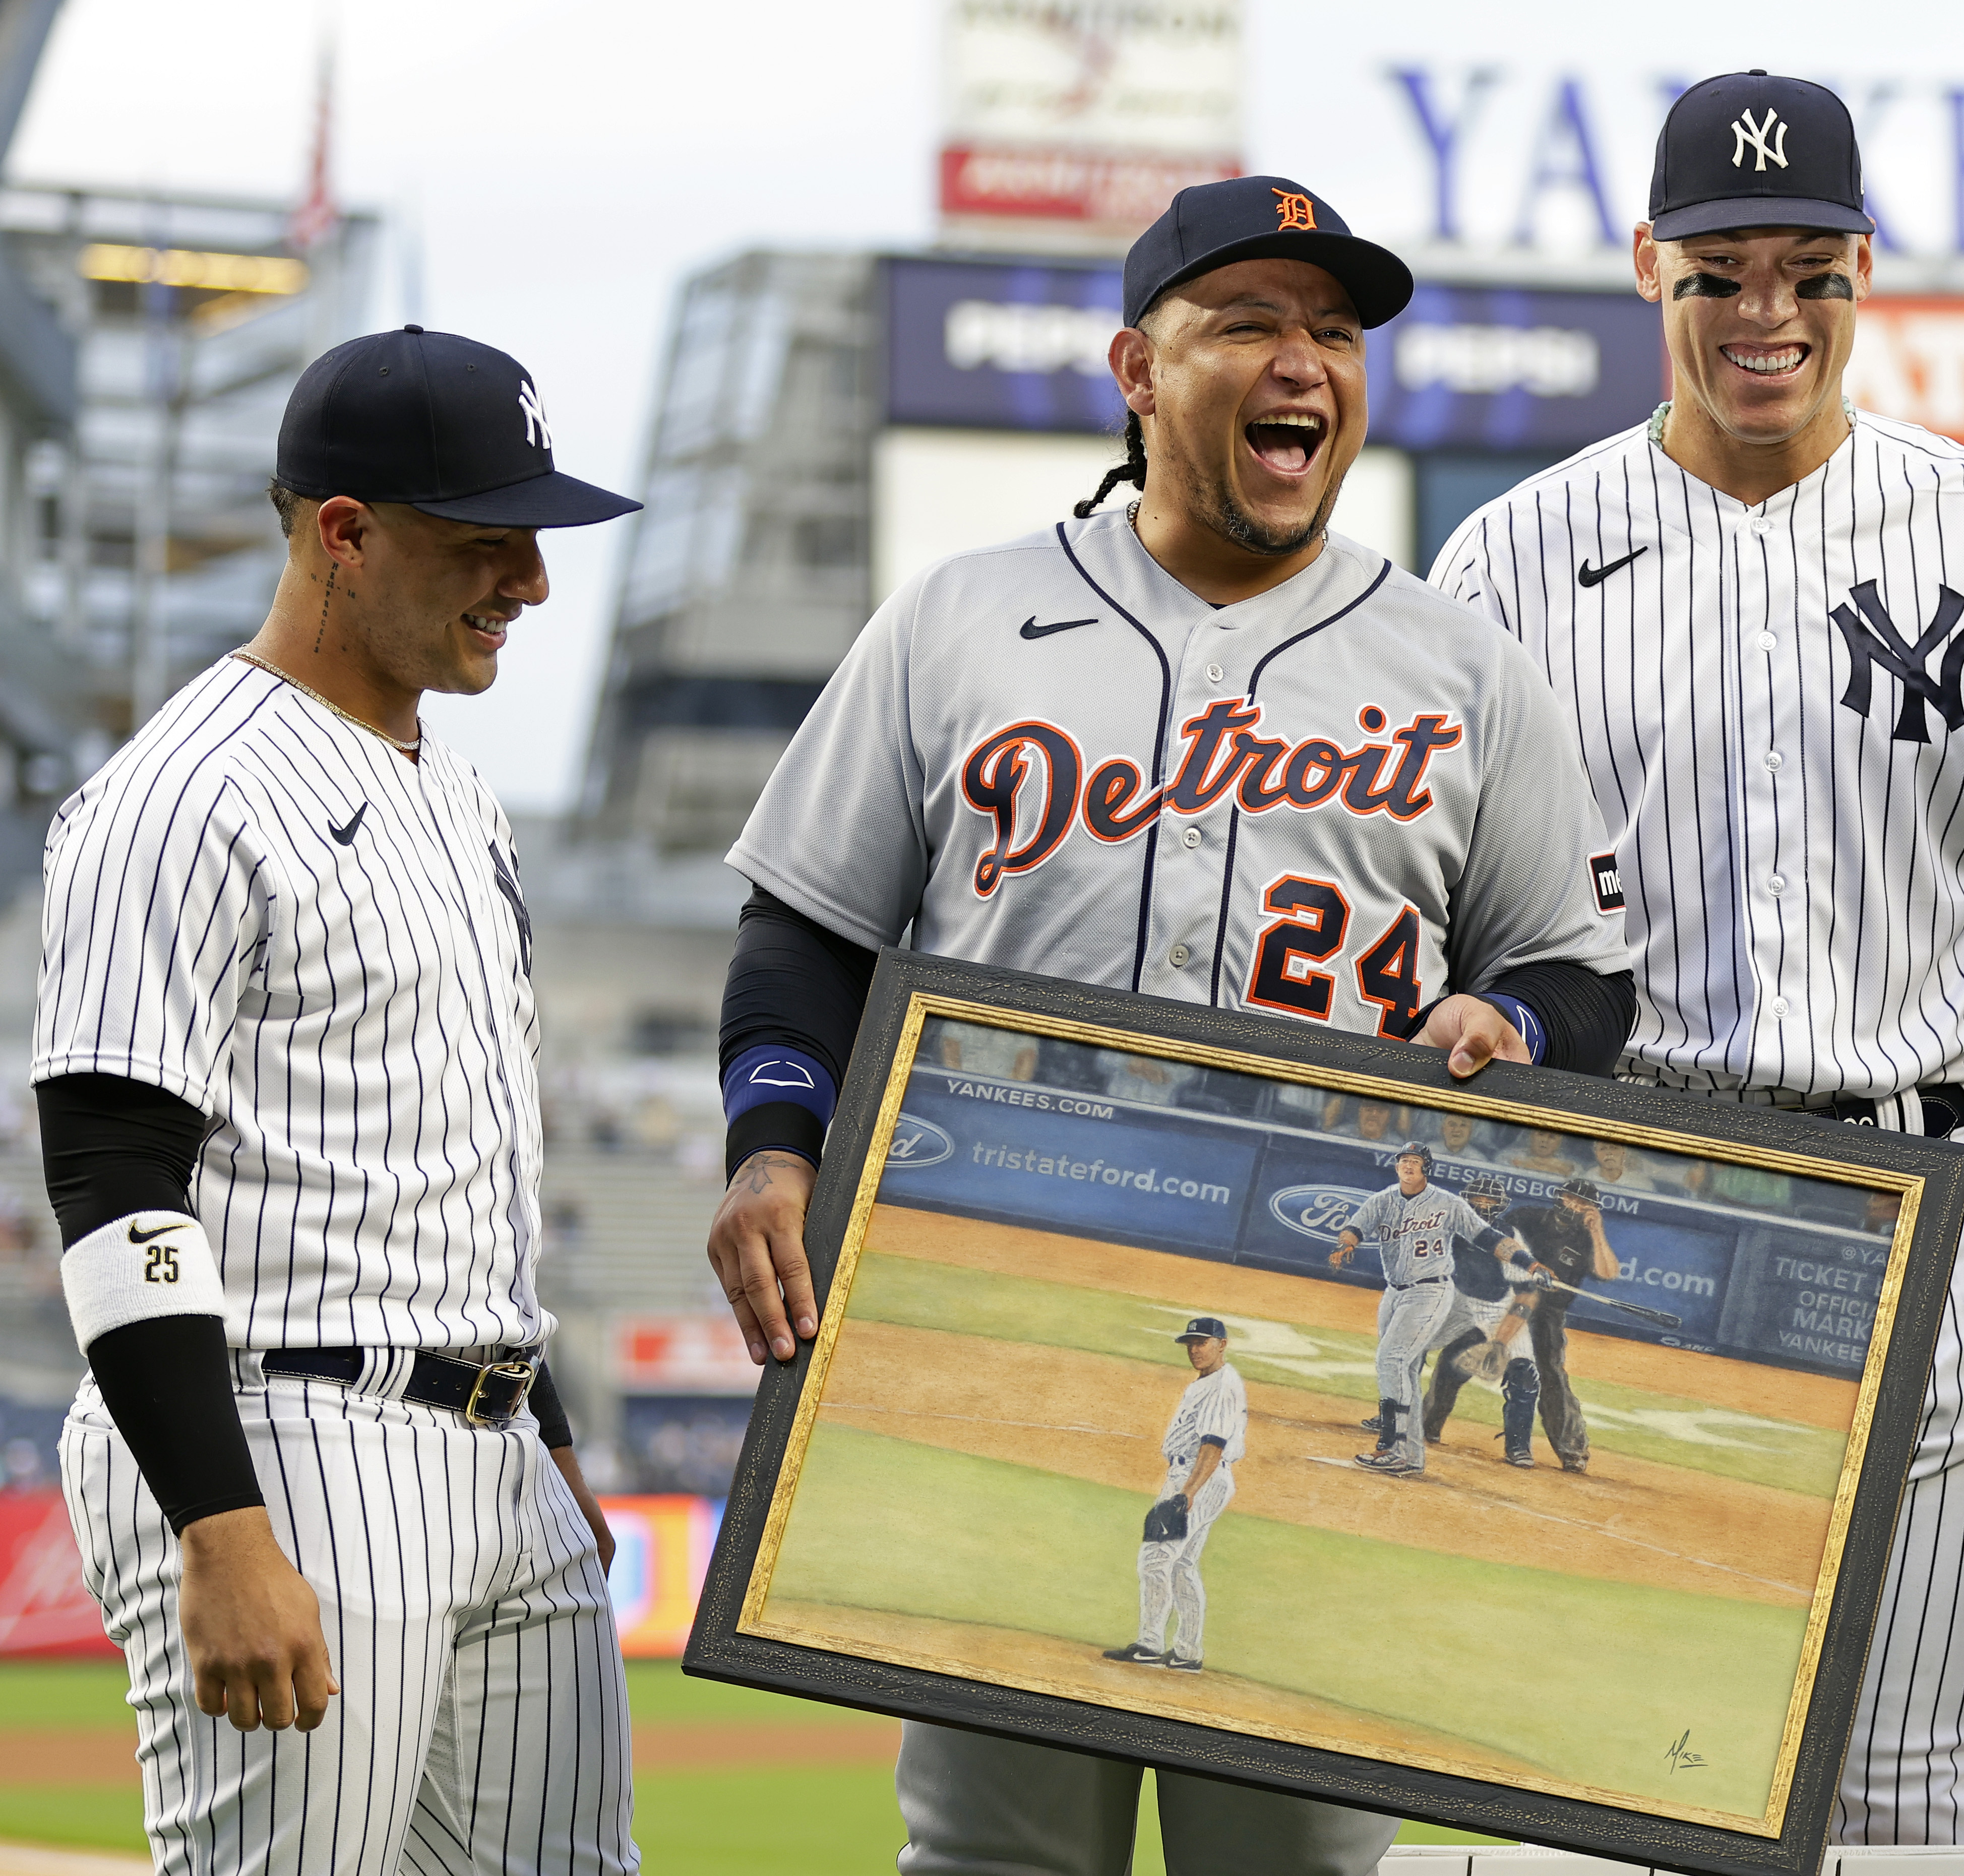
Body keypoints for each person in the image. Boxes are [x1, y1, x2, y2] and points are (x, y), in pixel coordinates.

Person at [701, 175, 1634, 1876]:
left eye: (1336, 331)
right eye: (1249, 324)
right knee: (994, 1853)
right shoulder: (960, 620)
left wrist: (1510, 1016)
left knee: (1294, 1862)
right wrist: (774, 1145)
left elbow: (1581, 977)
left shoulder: (1463, 669)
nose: (1304, 360)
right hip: (1012, 1304)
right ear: (1138, 367)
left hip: (1313, 1311)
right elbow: (806, 932)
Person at [1430, 71, 1964, 1840]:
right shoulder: (1505, 563)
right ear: (1645, 265)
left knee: (1906, 1811)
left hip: (1912, 1183)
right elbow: (1446, 918)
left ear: (1863, 270)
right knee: (1622, 1796)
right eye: (1721, 273)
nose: (1768, 317)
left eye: (1810, 272)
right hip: (1628, 1196)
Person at [33, 328, 641, 1875]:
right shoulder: (181, 794)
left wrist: (549, 1426)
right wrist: (217, 1528)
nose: (532, 580)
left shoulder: (456, 788)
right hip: (289, 1428)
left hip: (497, 1431)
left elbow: (460, 1163)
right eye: (484, 540)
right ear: (343, 532)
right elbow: (114, 1176)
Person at [1329, 1142, 1524, 1475]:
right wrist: (1347, 1244)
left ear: (1426, 1168)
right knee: (1403, 1369)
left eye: (1415, 1162)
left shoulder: (1447, 1203)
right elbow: (1356, 1226)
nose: (1408, 1166)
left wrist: (1530, 1264)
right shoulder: (1383, 1200)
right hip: (1395, 1292)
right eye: (1403, 1161)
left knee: (1391, 1359)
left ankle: (1394, 1447)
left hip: (1430, 1290)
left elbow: (1488, 1237)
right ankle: (1412, 1458)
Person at [1102, 1319, 1246, 1672]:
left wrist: (1187, 1494)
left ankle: (1150, 1644)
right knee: (1182, 1566)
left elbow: (1213, 1445)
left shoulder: (1222, 1387)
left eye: (1203, 1342)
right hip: (1201, 1479)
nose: (1195, 1350)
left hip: (1197, 1478)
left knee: (1155, 1560)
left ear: (1222, 1344)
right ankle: (1187, 1653)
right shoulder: (1211, 1382)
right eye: (1191, 1343)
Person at [1416, 1174, 1547, 1466]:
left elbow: (1527, 1294)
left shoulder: (1508, 1236)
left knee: (1525, 1373)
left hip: (1494, 1306)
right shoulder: (1446, 1227)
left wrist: (1500, 1342)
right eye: (1478, 1200)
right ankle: (1403, 1419)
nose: (1483, 1207)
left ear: (1501, 1206)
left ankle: (1518, 1447)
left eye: (1491, 1203)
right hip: (1452, 1298)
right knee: (1411, 1346)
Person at [1494, 1177, 1620, 1471]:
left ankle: (1573, 1450)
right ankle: (1427, 1422)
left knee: (1550, 1374)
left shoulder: (1585, 1237)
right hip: (1505, 1300)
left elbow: (1608, 1273)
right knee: (1461, 1348)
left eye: (1583, 1203)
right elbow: (1492, 1244)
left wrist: (1597, 1232)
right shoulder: (1527, 1218)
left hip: (1547, 1314)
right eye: (1570, 1198)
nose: (1574, 1206)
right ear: (1560, 1197)